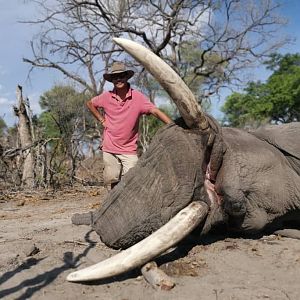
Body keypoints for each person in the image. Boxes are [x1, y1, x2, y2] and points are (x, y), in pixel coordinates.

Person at [86, 61, 172, 190]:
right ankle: (114, 203)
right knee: (113, 178)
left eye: (121, 76)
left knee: (133, 179)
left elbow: (155, 111)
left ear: (126, 77)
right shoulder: (106, 97)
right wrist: (101, 120)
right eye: (115, 77)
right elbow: (90, 103)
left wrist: (172, 126)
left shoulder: (138, 97)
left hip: (129, 148)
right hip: (110, 146)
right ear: (112, 80)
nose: (118, 79)